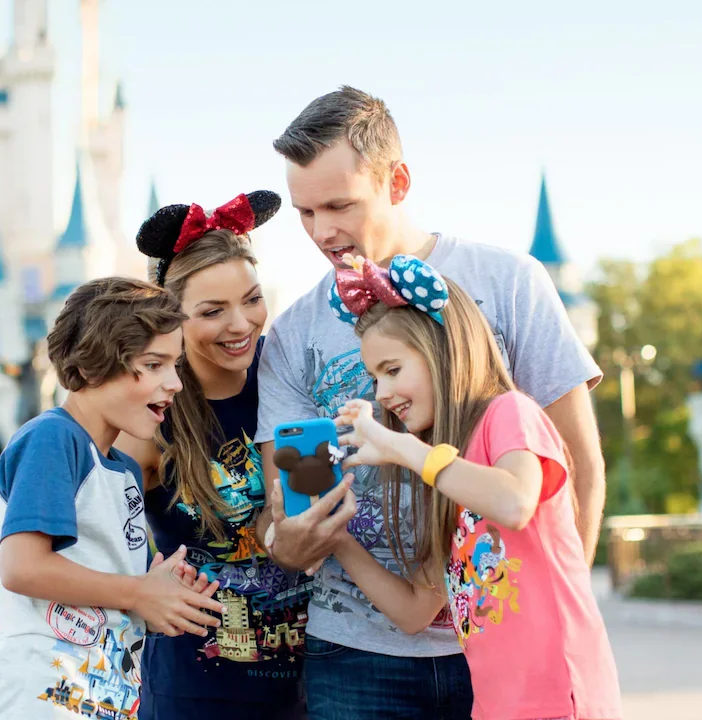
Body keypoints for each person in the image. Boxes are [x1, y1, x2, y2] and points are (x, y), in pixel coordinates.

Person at [255, 86, 605, 718]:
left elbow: (577, 466)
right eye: (305, 213)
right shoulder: (292, 334)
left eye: (339, 205)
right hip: (355, 655)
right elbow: (286, 517)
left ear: (398, 180)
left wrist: (562, 623)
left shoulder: (510, 283)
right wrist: (298, 535)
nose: (322, 231)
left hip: (508, 643)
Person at [0, 194, 323, 720]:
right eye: (211, 311)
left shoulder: (290, 381)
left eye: (252, 299)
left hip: (308, 674)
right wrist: (23, 615)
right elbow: (40, 560)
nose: (241, 324)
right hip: (194, 686)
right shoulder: (136, 425)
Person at [326, 252, 623, 720]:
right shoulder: (448, 469)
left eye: (393, 370)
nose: (381, 394)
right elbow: (414, 613)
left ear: (443, 350)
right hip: (498, 706)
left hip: (557, 698)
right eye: (374, 377)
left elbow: (514, 501)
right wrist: (337, 537)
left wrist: (401, 448)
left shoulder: (508, 413)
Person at [0, 277, 226, 720]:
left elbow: (110, 597)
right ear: (93, 366)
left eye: (176, 365)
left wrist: (166, 593)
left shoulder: (122, 470)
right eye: (154, 364)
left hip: (104, 699)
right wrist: (138, 592)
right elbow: (23, 567)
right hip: (43, 701)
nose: (175, 383)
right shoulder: (54, 439)